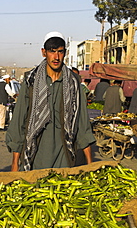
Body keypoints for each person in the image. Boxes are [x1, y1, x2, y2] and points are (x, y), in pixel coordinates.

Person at [6, 31, 95, 172]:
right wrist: (15, 162)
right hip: (36, 155)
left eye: (60, 52)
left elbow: (82, 123)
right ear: (44, 52)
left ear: (64, 53)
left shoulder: (73, 82)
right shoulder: (31, 80)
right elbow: (19, 120)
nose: (56, 57)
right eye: (52, 52)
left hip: (64, 155)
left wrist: (90, 164)